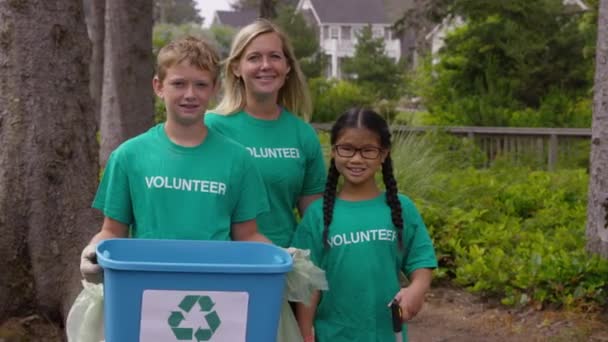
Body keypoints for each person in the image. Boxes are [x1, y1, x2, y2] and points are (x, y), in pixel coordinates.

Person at [80, 36, 270, 283]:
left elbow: (247, 236)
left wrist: (279, 256)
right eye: (179, 83)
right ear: (159, 86)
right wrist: (94, 251)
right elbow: (113, 231)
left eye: (201, 85)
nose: (190, 94)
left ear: (214, 89)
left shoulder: (238, 159)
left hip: (216, 288)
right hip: (146, 284)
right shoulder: (129, 156)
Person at [292, 108, 438, 342]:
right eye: (347, 149)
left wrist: (417, 289)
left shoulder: (401, 207)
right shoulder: (317, 215)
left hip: (387, 335)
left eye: (368, 150)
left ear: (383, 155)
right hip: (332, 335)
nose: (356, 159)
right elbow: (308, 285)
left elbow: (420, 261)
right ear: (333, 152)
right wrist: (304, 333)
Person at [205, 18, 326, 248]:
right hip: (222, 263)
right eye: (254, 58)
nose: (265, 65)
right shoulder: (211, 127)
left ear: (287, 67)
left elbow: (314, 217)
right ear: (236, 67)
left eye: (274, 56)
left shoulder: (303, 134)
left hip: (283, 265)